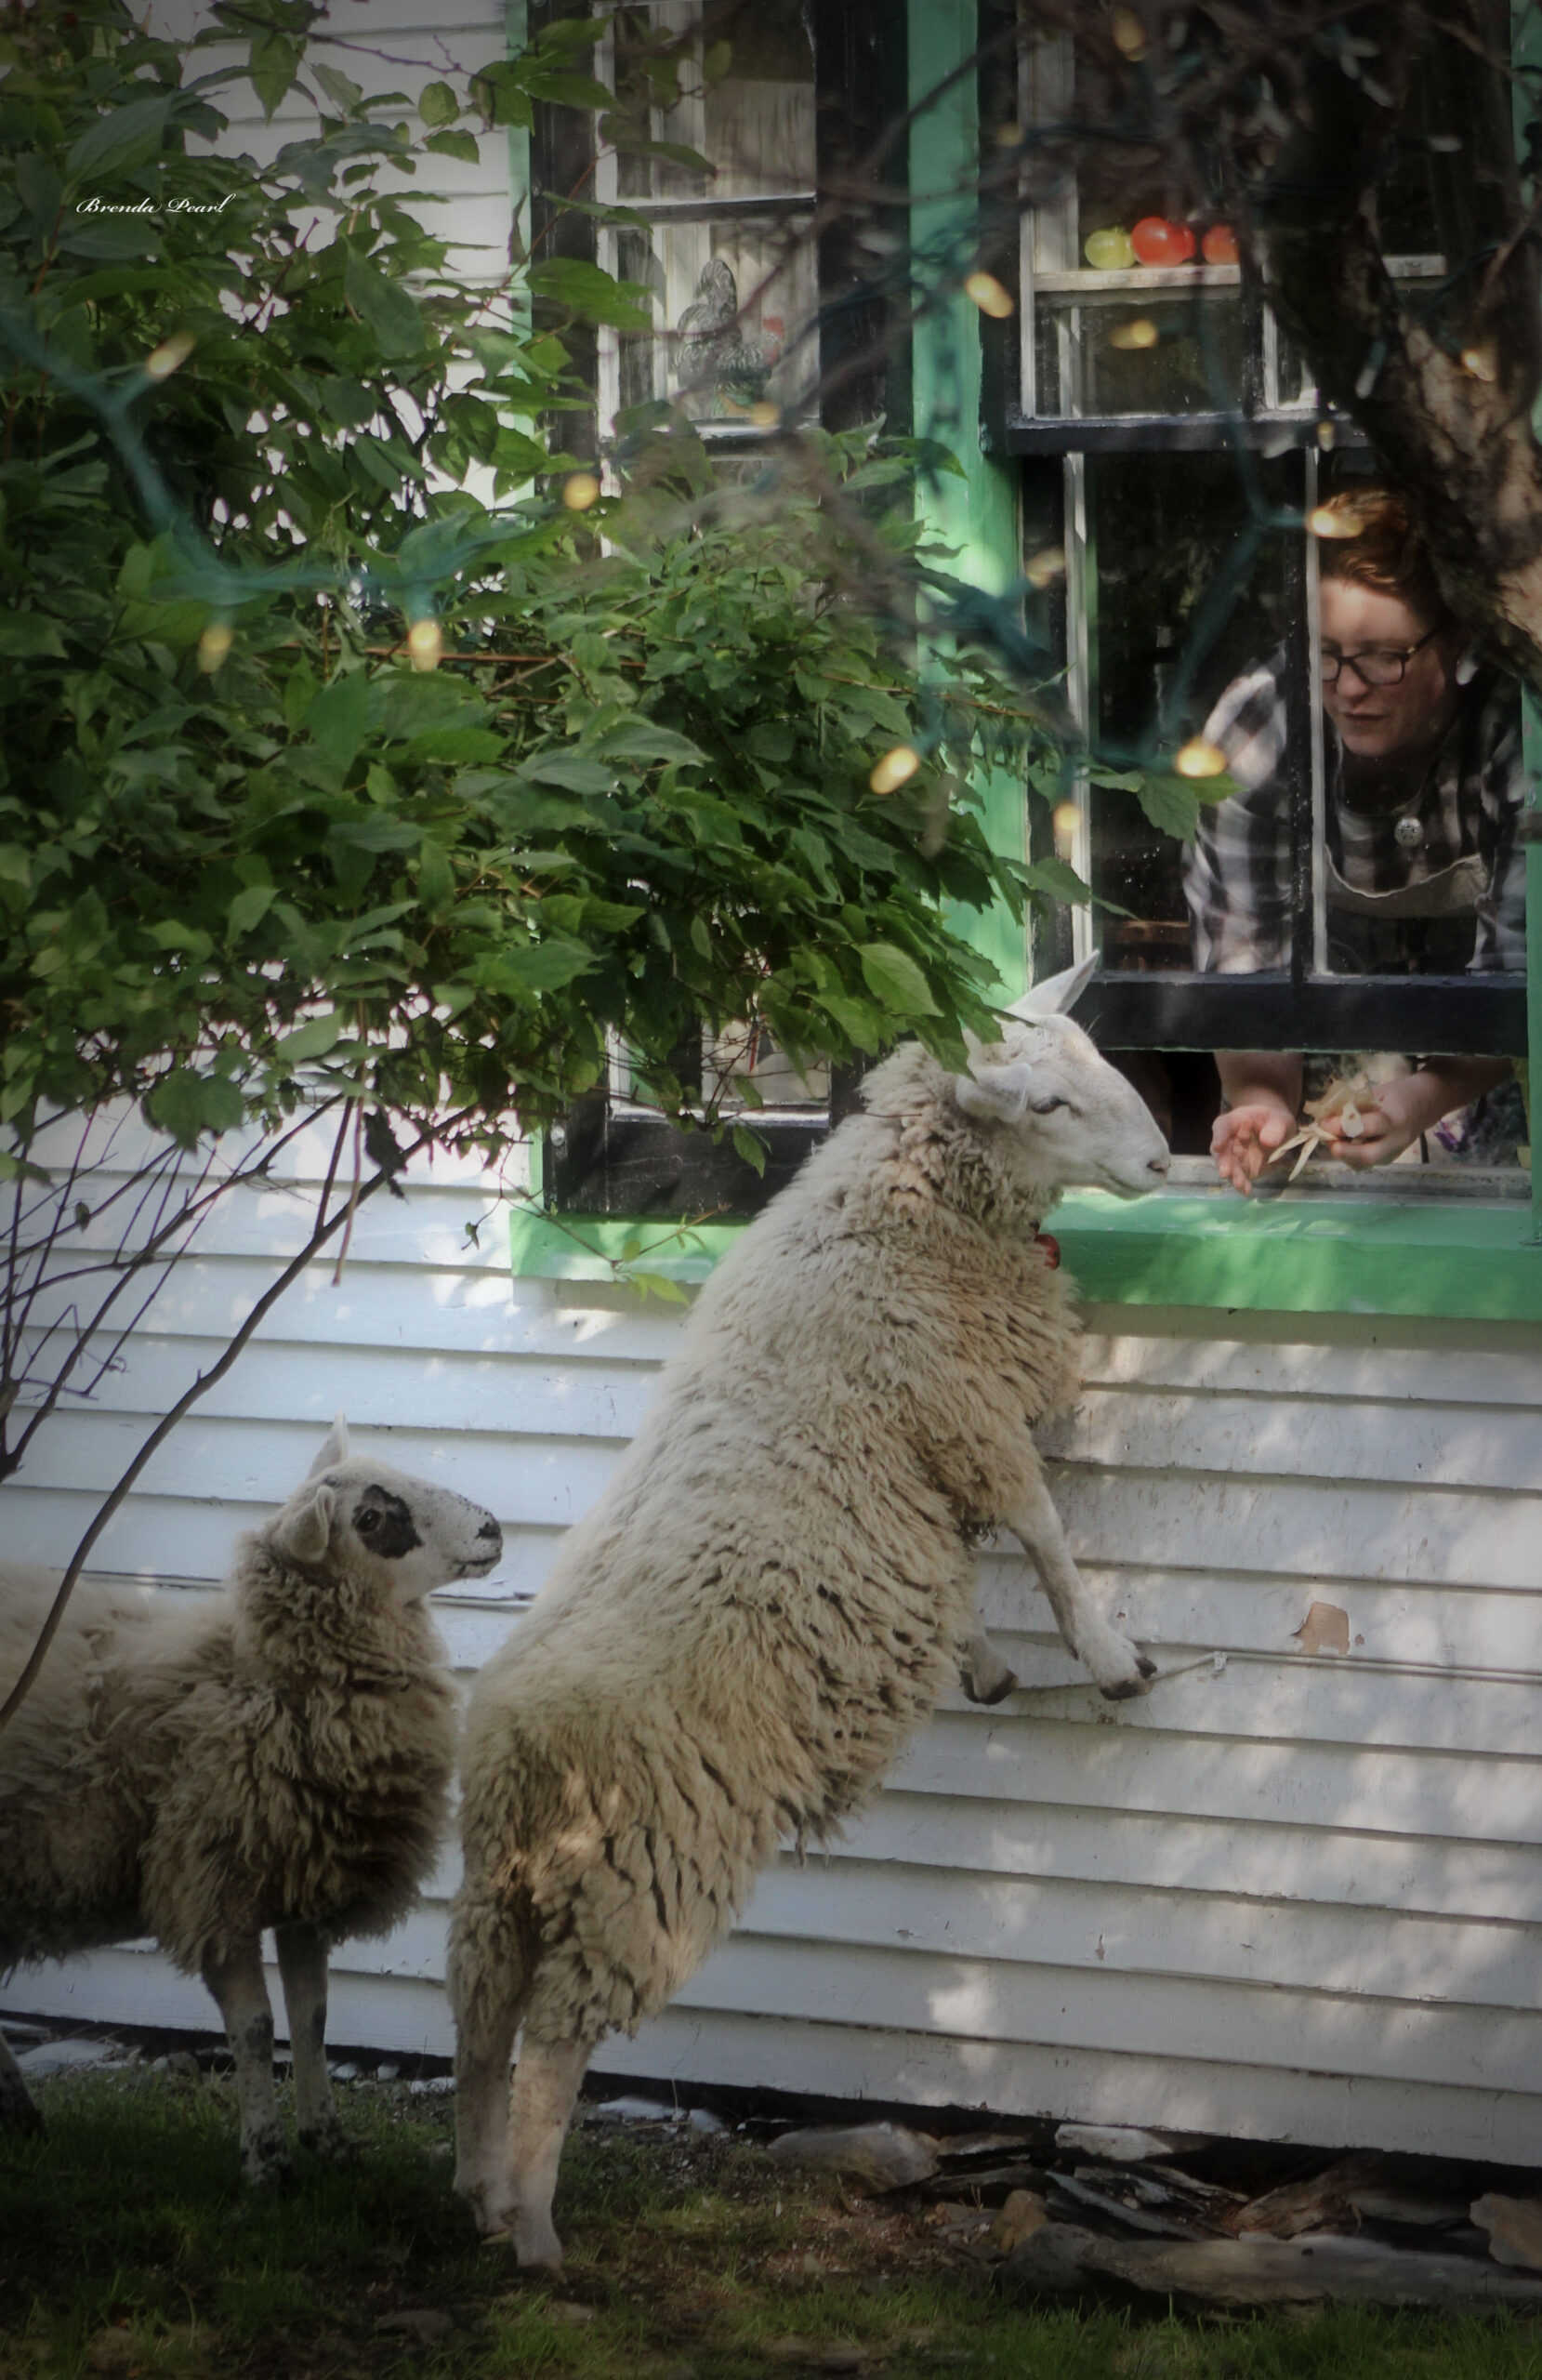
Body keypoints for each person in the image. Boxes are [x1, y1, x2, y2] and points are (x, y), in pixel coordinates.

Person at [1182, 485, 1526, 1192]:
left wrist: (1422, 1098)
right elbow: (1245, 975)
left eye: (1381, 657)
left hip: (1500, 1077)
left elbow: (1524, 980)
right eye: (1325, 653)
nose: (1346, 688)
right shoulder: (1259, 730)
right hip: (1318, 1095)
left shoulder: (1515, 729)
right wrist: (1262, 1106)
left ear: (1458, 643)